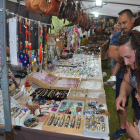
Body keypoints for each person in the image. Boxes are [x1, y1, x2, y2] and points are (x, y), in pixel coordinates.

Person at [108, 9, 135, 140]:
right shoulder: (117, 35)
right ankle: (122, 128)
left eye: (124, 22)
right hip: (122, 76)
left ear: (132, 20)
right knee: (121, 102)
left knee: (137, 106)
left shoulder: (137, 35)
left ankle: (136, 128)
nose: (122, 26)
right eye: (120, 23)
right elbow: (112, 53)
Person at [116, 30, 140, 140]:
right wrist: (122, 94)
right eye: (123, 58)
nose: (126, 63)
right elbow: (127, 81)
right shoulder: (133, 63)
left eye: (128, 57)